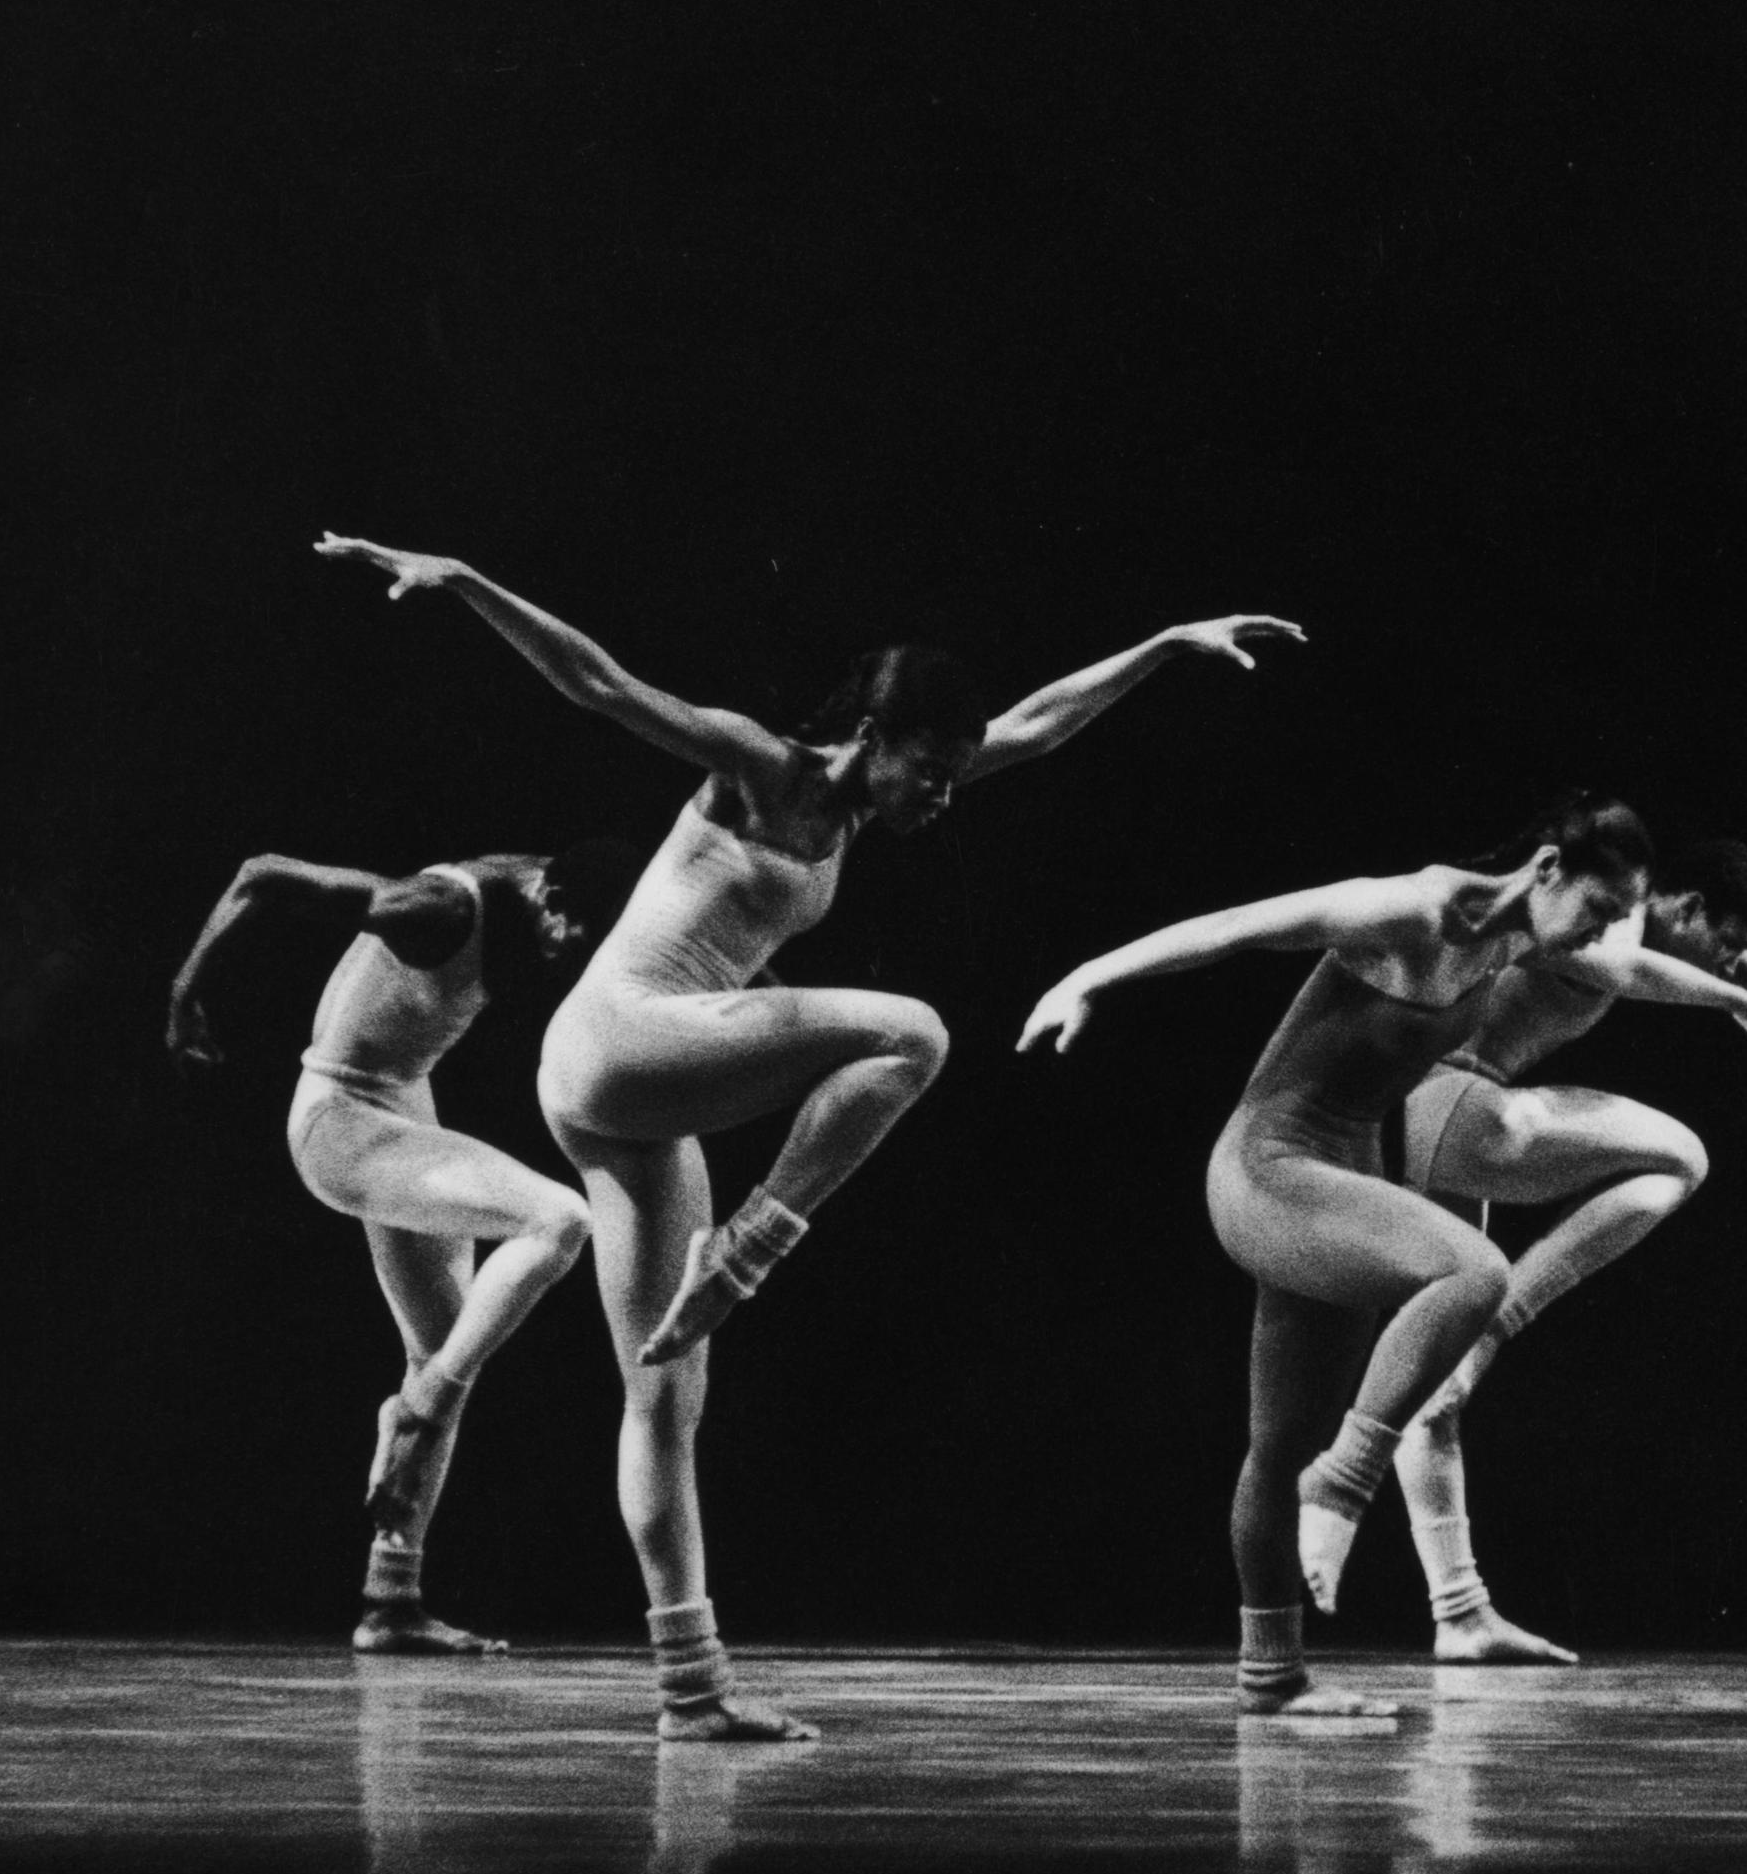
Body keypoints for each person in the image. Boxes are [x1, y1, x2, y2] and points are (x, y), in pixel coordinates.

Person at [319, 531, 1300, 1739]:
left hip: (633, 1091)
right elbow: (603, 683)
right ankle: (747, 1250)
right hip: (626, 1035)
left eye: (949, 775)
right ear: (871, 741)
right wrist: (464, 582)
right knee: (914, 1032)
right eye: (926, 771)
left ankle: (691, 1687)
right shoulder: (763, 767)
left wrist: (1162, 646)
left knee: (666, 1393)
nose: (940, 795)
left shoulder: (882, 796)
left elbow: (1039, 727)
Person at [1016, 799, 1656, 1718]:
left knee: (1278, 1444)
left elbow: (1643, 970)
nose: (1604, 932)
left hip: (1343, 1175)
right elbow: (1235, 928)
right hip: (1267, 1169)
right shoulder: (1412, 912)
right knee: (1473, 1271)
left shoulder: (1519, 940)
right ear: (1548, 867)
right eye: (1601, 906)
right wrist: (1088, 978)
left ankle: (1271, 1674)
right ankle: (1346, 1482)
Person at [1390, 837, 1747, 1663]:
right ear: (1682, 906)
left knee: (1431, 1392)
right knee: (1681, 1155)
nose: (1732, 965)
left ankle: (1458, 1610)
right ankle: (1501, 1320)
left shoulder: (1637, 923)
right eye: (1722, 943)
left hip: (1430, 1119)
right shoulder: (1603, 923)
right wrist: (1740, 1008)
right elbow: (1629, 970)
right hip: (1462, 1104)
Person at [164, 833, 644, 1652]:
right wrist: (186, 991)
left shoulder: (538, 895)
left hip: (398, 1110)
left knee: (441, 1344)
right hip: (341, 1122)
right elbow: (265, 874)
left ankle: (391, 1599)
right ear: (553, 900)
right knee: (559, 1219)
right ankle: (424, 1409)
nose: (570, 962)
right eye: (578, 941)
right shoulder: (442, 908)